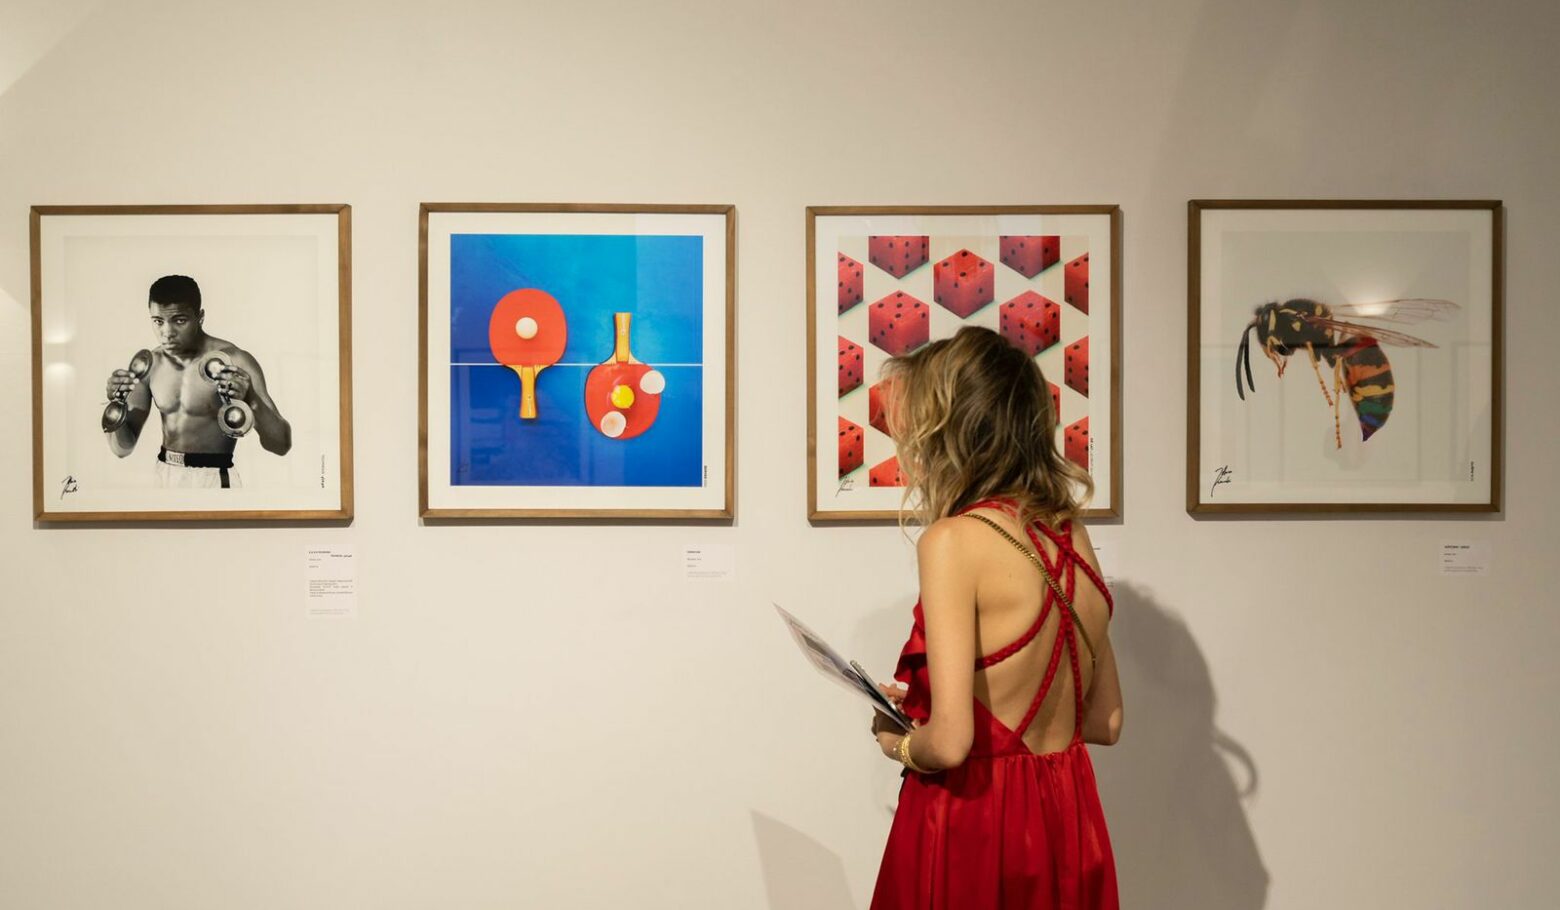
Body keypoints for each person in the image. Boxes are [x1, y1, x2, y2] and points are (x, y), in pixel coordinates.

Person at [869, 326, 1123, 909]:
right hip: (1068, 820)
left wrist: (895, 740)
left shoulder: (952, 540)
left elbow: (950, 744)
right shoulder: (1070, 535)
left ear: (951, 431)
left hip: (975, 825)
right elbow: (1105, 721)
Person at [103, 275, 291, 488]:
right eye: (158, 321)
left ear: (200, 317)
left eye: (179, 321)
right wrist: (116, 405)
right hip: (165, 475)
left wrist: (253, 400)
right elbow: (122, 449)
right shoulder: (150, 364)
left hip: (215, 477)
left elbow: (281, 445)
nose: (167, 333)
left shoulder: (235, 360)